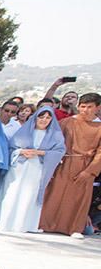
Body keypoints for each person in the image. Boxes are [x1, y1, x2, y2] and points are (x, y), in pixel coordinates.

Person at [0, 108, 66, 233]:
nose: (44, 120)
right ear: (35, 118)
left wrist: (40, 152)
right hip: (18, 167)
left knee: (29, 194)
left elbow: (59, 152)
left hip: (38, 168)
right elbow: (10, 148)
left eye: (47, 118)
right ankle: (3, 220)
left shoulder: (55, 135)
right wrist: (21, 151)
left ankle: (23, 224)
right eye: (41, 117)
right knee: (12, 191)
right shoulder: (23, 132)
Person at [39, 93, 101, 238]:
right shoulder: (66, 122)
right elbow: (53, 142)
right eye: (82, 106)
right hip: (63, 162)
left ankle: (73, 228)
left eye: (89, 107)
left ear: (98, 108)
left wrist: (90, 171)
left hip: (85, 165)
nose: (85, 110)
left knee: (78, 198)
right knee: (54, 193)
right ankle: (44, 223)